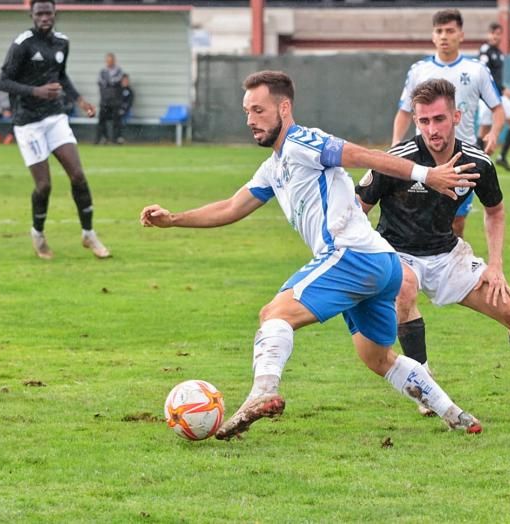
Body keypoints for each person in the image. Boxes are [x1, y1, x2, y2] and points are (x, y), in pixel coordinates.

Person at [140, 70, 484, 440]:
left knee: (273, 313)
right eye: (247, 112)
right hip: (382, 264)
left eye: (258, 110)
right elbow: (230, 207)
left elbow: (359, 155)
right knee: (377, 357)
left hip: (351, 254)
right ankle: (453, 412)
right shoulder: (274, 166)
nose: (250, 121)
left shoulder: (304, 141)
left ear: (284, 108)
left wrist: (426, 175)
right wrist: (173, 219)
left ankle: (263, 392)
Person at [356, 79, 510, 416]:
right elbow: (355, 209)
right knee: (404, 288)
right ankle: (424, 387)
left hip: (448, 255)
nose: (431, 129)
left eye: (438, 119)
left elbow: (495, 212)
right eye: (423, 121)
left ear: (456, 116)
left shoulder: (477, 163)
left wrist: (495, 266)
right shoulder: (399, 161)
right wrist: (372, 257)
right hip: (396, 252)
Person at [0, 0, 110, 260]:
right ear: (32, 15)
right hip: (28, 123)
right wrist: (35, 91)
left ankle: (89, 234)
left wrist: (80, 101)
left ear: (55, 14)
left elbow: (61, 76)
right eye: (40, 13)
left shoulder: (62, 42)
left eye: (49, 12)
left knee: (78, 175)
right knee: (44, 186)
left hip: (55, 117)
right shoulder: (22, 44)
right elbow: (3, 81)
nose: (45, 17)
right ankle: (38, 234)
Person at [392, 9, 504, 241]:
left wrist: (493, 133)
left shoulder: (477, 71)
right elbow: (404, 111)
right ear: (433, 36)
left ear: (461, 35)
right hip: (422, 156)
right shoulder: (419, 71)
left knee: (456, 221)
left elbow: (498, 108)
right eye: (439, 31)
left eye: (450, 31)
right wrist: (395, 146)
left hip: (462, 158)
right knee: (417, 219)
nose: (444, 36)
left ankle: (452, 266)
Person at [477, 22, 510, 173]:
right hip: (487, 96)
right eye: (493, 33)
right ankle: (477, 161)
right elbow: (482, 72)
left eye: (498, 33)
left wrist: (502, 89)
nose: (496, 36)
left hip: (499, 95)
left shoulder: (499, 52)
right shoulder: (485, 50)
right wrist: (502, 88)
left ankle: (502, 156)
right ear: (488, 34)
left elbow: (496, 76)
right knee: (484, 130)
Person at [96, 52, 124, 145]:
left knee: (116, 121)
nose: (109, 62)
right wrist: (109, 83)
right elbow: (101, 82)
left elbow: (116, 82)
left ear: (114, 61)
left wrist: (108, 83)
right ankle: (104, 138)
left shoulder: (119, 71)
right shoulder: (102, 72)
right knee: (102, 120)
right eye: (107, 61)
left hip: (116, 100)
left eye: (111, 61)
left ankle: (116, 139)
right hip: (104, 100)